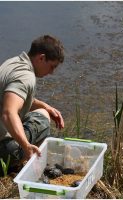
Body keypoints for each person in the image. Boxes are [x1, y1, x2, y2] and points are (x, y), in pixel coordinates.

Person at [0, 35, 65, 169]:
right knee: (43, 117)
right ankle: (27, 159)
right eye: (52, 66)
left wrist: (46, 106)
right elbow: (8, 113)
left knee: (43, 110)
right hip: (4, 153)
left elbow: (15, 96)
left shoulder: (12, 63)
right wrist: (26, 146)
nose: (52, 72)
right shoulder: (26, 77)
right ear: (41, 58)